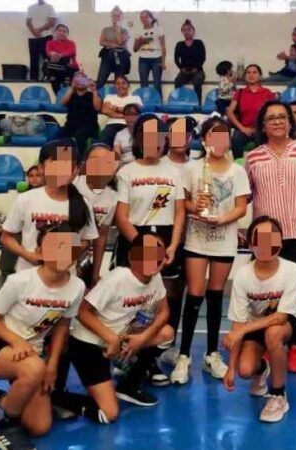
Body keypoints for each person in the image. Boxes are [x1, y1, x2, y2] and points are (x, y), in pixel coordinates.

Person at [0, 224, 86, 450]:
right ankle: (7, 427)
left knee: (39, 427)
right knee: (34, 370)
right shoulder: (20, 281)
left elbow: (62, 326)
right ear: (41, 252)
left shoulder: (77, 286)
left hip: (31, 354)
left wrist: (51, 365)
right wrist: (17, 341)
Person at [53, 233, 175, 417]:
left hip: (121, 338)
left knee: (166, 333)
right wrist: (110, 338)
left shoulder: (155, 277)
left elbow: (164, 312)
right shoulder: (117, 279)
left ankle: (129, 386)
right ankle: (57, 398)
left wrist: (142, 338)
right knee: (108, 414)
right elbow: (82, 312)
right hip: (90, 344)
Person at [245, 100, 296, 373]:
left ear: (291, 122)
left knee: (294, 292)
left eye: (282, 117)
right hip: (265, 236)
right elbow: (245, 196)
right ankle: (270, 344)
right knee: (267, 294)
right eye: (271, 118)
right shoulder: (252, 157)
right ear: (263, 126)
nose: (277, 121)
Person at [171, 117, 250, 385]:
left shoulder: (237, 172)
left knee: (215, 297)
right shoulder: (192, 169)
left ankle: (212, 354)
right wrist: (196, 207)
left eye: (223, 135)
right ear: (204, 140)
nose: (218, 140)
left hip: (224, 239)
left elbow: (241, 207)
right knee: (194, 297)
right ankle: (184, 356)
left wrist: (222, 219)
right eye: (212, 135)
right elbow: (183, 205)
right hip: (196, 239)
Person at [113, 115, 186, 371]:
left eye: (159, 135)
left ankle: (150, 358)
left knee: (164, 299)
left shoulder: (174, 172)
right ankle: (126, 353)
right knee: (130, 298)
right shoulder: (127, 172)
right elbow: (121, 216)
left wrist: (174, 245)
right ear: (138, 139)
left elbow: (179, 213)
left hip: (166, 239)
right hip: (135, 238)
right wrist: (143, 246)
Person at [223, 216, 296, 423]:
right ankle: (263, 369)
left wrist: (242, 331)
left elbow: (281, 317)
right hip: (255, 325)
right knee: (245, 370)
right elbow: (238, 324)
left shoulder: (292, 270)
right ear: (251, 244)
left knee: (273, 333)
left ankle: (278, 394)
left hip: (286, 324)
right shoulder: (242, 275)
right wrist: (231, 368)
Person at [1, 139, 98, 273]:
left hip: (65, 278)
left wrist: (65, 258)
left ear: (75, 170)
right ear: (41, 168)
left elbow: (86, 240)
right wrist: (28, 255)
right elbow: (6, 237)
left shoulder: (84, 204)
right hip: (29, 276)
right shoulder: (26, 199)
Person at [73, 144, 119, 288]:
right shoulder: (72, 186)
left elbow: (101, 236)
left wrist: (95, 273)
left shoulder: (113, 196)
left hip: (83, 256)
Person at [226, 64, 276, 159]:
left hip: (262, 129)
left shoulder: (267, 93)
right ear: (245, 77)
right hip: (243, 128)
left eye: (254, 72)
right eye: (248, 73)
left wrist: (261, 128)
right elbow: (229, 112)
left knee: (261, 142)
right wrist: (242, 128)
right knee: (236, 140)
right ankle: (239, 166)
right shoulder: (240, 92)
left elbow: (273, 112)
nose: (251, 75)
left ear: (260, 76)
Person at [60, 72, 102, 152]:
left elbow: (97, 107)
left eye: (82, 79)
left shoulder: (92, 94)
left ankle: (82, 160)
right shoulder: (71, 95)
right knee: (62, 133)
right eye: (77, 79)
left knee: (80, 134)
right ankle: (64, 161)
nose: (80, 82)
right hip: (71, 125)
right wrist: (72, 88)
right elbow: (62, 103)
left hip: (89, 126)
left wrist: (94, 90)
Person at [101, 76, 143, 147]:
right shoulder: (109, 97)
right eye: (118, 84)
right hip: (112, 125)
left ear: (128, 85)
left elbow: (135, 110)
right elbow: (105, 110)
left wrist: (115, 108)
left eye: (123, 83)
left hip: (129, 124)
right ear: (115, 86)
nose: (121, 86)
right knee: (105, 143)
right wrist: (125, 115)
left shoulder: (135, 98)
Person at [96, 6, 131, 89]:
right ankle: (98, 99)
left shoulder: (124, 30)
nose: (116, 18)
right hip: (108, 55)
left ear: (121, 17)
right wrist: (114, 45)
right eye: (114, 16)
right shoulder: (106, 29)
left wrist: (117, 29)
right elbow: (101, 42)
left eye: (118, 16)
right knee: (101, 79)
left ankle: (118, 100)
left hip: (121, 57)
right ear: (111, 17)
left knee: (119, 80)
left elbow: (120, 41)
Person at [134, 10, 166, 98]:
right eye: (142, 17)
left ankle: (159, 105)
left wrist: (163, 62)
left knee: (157, 84)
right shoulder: (139, 31)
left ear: (151, 18)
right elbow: (135, 49)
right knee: (143, 84)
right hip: (143, 59)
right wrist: (140, 42)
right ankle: (144, 103)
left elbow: (163, 47)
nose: (144, 19)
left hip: (157, 58)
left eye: (146, 17)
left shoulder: (158, 29)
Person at [174, 19, 206, 104]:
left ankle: (198, 104)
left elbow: (203, 58)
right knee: (177, 81)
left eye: (188, 30)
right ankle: (179, 102)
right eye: (184, 30)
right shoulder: (179, 44)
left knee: (197, 82)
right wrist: (181, 68)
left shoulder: (199, 43)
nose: (186, 32)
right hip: (184, 71)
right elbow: (176, 59)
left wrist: (196, 68)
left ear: (193, 31)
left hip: (198, 70)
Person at [26, 0, 57, 81]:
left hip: (46, 37)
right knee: (33, 61)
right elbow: (28, 22)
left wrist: (39, 30)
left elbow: (51, 22)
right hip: (33, 38)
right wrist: (34, 32)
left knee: (47, 60)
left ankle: (49, 79)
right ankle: (33, 80)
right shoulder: (31, 7)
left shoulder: (50, 7)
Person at [45, 24, 79, 94]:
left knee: (65, 59)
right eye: (59, 31)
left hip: (69, 68)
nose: (62, 33)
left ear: (67, 34)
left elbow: (71, 52)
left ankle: (68, 99)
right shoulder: (50, 43)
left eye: (64, 31)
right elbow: (48, 52)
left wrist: (59, 55)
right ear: (55, 32)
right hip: (55, 69)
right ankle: (60, 99)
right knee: (53, 74)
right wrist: (53, 54)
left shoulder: (71, 43)